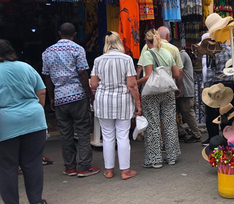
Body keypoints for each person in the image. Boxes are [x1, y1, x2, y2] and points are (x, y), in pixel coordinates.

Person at [42, 23, 99, 177]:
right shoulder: (77, 49)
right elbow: (82, 73)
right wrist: (89, 94)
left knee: (66, 134)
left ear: (59, 33)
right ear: (74, 34)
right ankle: (84, 167)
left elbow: (47, 77)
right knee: (83, 130)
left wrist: (52, 97)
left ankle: (70, 167)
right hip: (78, 96)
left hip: (60, 98)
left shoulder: (47, 52)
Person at [0, 40, 48, 204]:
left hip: (5, 124)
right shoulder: (25, 67)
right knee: (33, 163)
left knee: (7, 167)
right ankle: (36, 200)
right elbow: (41, 91)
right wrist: (37, 110)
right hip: (34, 121)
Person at [90, 32, 142, 180]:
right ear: (119, 42)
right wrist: (138, 104)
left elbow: (93, 84)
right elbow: (132, 85)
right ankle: (125, 171)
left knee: (107, 137)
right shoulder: (126, 59)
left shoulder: (98, 60)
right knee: (122, 136)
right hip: (122, 101)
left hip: (103, 101)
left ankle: (109, 171)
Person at [137, 29, 181, 168]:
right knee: (169, 123)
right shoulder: (168, 53)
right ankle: (172, 156)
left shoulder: (147, 54)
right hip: (167, 92)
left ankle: (155, 159)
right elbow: (176, 73)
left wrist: (135, 83)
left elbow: (148, 76)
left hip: (151, 93)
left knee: (153, 125)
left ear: (146, 41)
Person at [202, 42, 234, 146]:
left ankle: (214, 139)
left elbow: (209, 72)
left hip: (217, 85)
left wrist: (206, 88)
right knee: (229, 112)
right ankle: (229, 137)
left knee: (212, 114)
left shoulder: (213, 52)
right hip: (231, 84)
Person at [172, 39, 202, 143]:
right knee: (178, 112)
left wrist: (178, 87)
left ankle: (196, 134)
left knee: (187, 112)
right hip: (182, 88)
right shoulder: (182, 55)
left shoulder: (181, 55)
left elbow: (178, 71)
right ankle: (181, 132)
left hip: (185, 88)